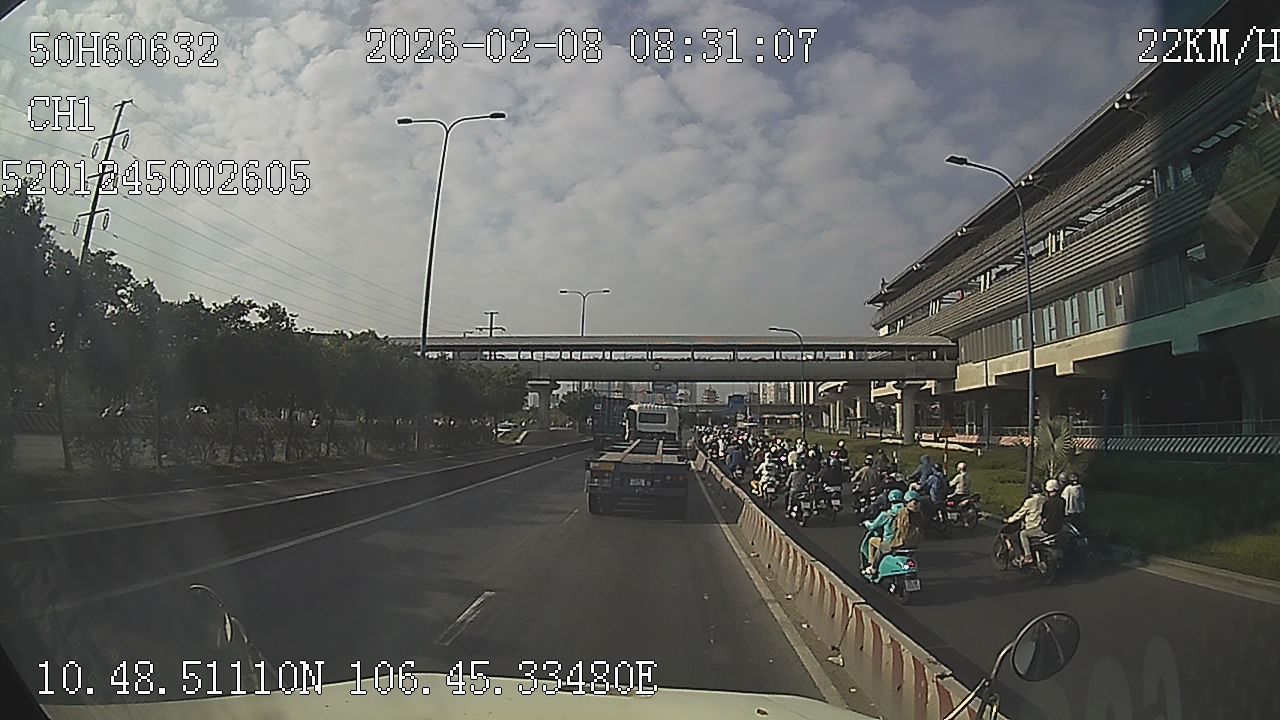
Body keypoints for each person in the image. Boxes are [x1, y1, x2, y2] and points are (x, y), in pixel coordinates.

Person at [864, 489, 905, 576]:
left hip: (890, 542)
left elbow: (872, 526)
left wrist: (866, 523)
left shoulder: (886, 515)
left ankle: (873, 567)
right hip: (905, 542)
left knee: (872, 541)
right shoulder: (907, 513)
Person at [1006, 483, 1048, 567]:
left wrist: (1010, 520)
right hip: (1041, 525)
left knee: (1015, 537)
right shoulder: (1045, 499)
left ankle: (1025, 556)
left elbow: (1020, 513)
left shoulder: (1030, 501)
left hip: (1031, 526)